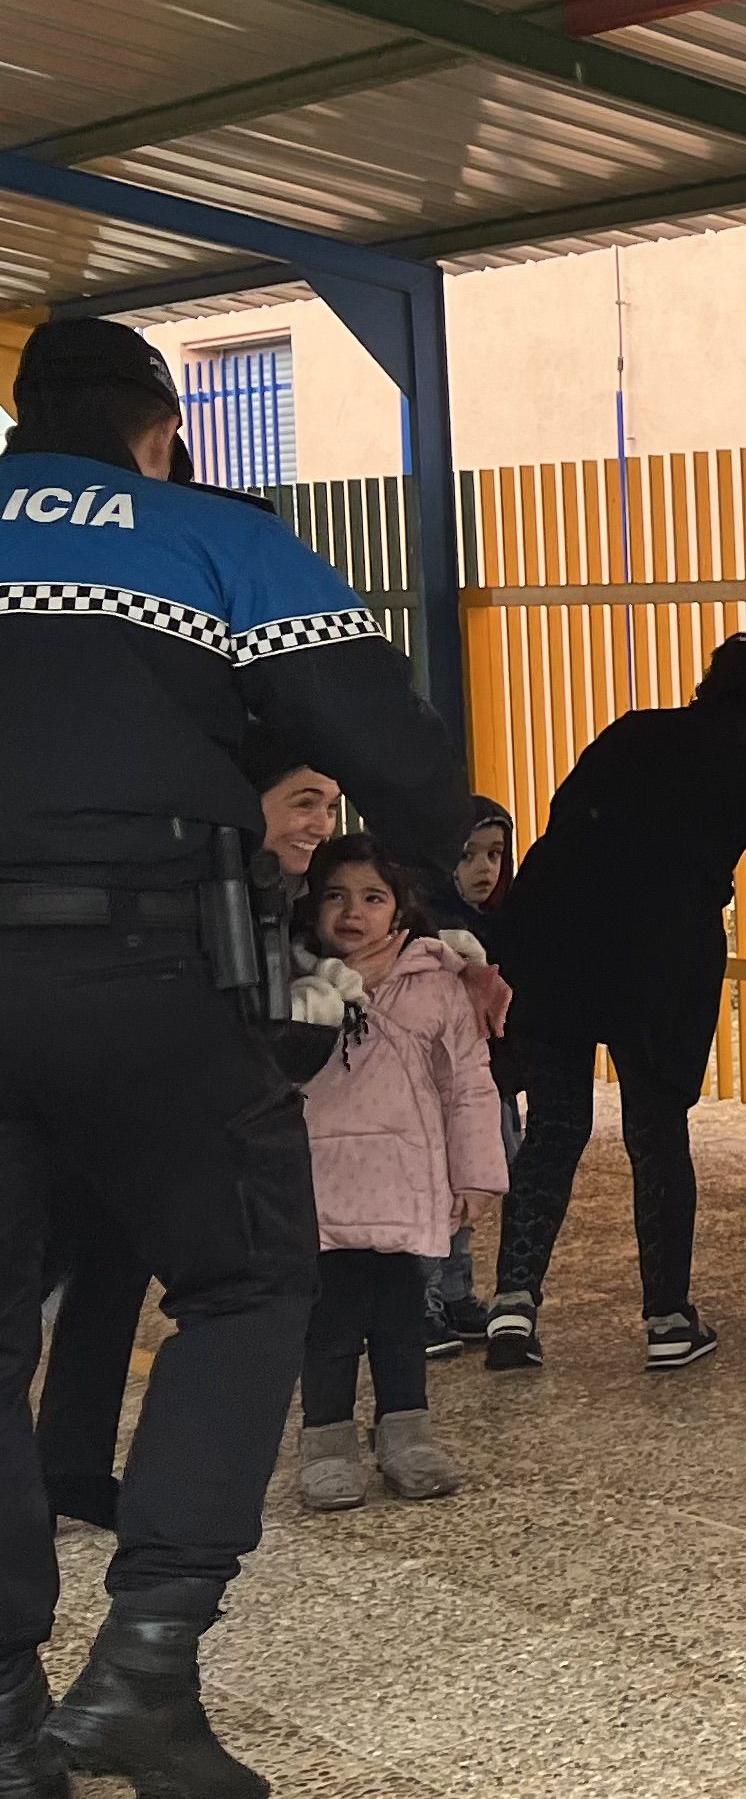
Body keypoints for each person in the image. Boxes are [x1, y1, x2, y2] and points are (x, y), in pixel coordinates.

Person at [0, 316, 471, 1797]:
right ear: (156, 428)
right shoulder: (211, 537)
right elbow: (396, 758)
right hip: (151, 970)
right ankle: (144, 1668)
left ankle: (8, 1719)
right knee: (249, 1279)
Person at [483, 631, 746, 1374]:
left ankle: (512, 1307)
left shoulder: (632, 729)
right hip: (660, 958)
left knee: (555, 1126)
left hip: (551, 938)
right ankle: (668, 1319)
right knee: (656, 1131)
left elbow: (565, 814)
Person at [36, 757, 347, 1536]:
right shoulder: (201, 882)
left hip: (150, 1115)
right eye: (303, 804)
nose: (320, 825)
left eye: (332, 809)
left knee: (108, 1289)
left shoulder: (278, 889)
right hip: (104, 1106)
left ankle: (69, 1469)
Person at [289, 837, 506, 1512]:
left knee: (401, 1319)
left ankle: (407, 1435)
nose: (354, 912)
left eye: (373, 898)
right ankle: (326, 1446)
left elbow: (470, 1086)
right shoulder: (294, 982)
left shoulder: (438, 982)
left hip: (405, 1179)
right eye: (336, 895)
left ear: (400, 909)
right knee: (328, 1323)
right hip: (320, 1181)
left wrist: (474, 1174)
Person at [426, 796, 522, 1349]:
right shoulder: (422, 935)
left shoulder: (501, 926)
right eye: (468, 855)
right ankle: (423, 1302)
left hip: (489, 1085)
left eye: (495, 854)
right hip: (434, 1091)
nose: (485, 869)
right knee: (435, 1191)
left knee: (476, 1186)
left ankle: (457, 1291)